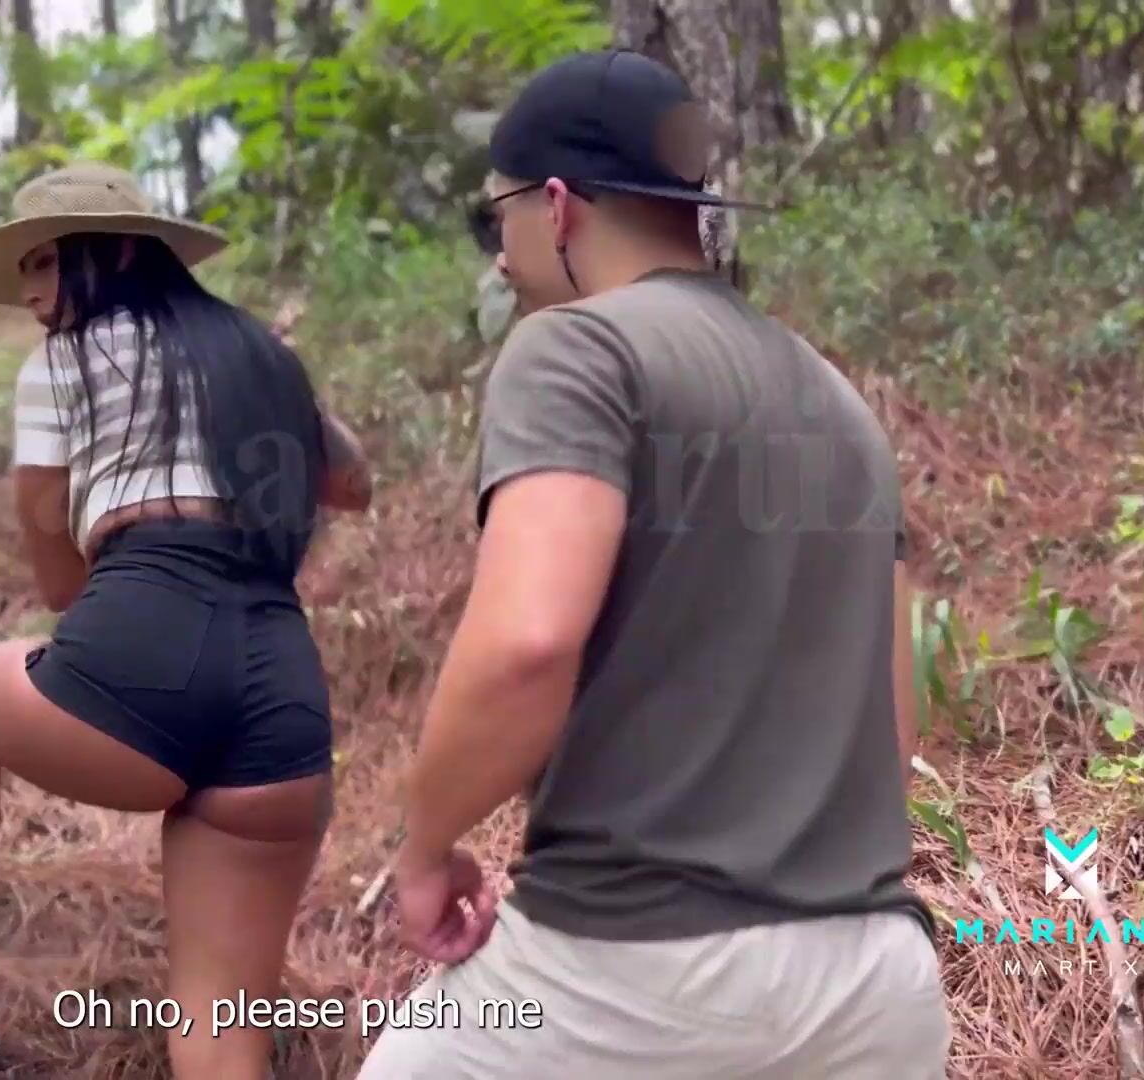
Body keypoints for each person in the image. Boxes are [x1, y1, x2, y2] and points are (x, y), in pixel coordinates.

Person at [355, 49, 951, 1078]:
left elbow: (527, 644)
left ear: (555, 207)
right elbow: (894, 719)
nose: (500, 261)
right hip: (875, 986)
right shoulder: (838, 400)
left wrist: (424, 851)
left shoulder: (575, 350)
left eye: (496, 220)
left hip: (629, 976)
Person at [0, 161, 374, 1077]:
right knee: (221, 1028)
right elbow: (353, 484)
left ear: (110, 254)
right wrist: (277, 376)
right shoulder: (257, 355)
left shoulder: (60, 364)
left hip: (147, 644)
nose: (31, 294)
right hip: (283, 691)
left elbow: (58, 585)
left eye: (44, 262)